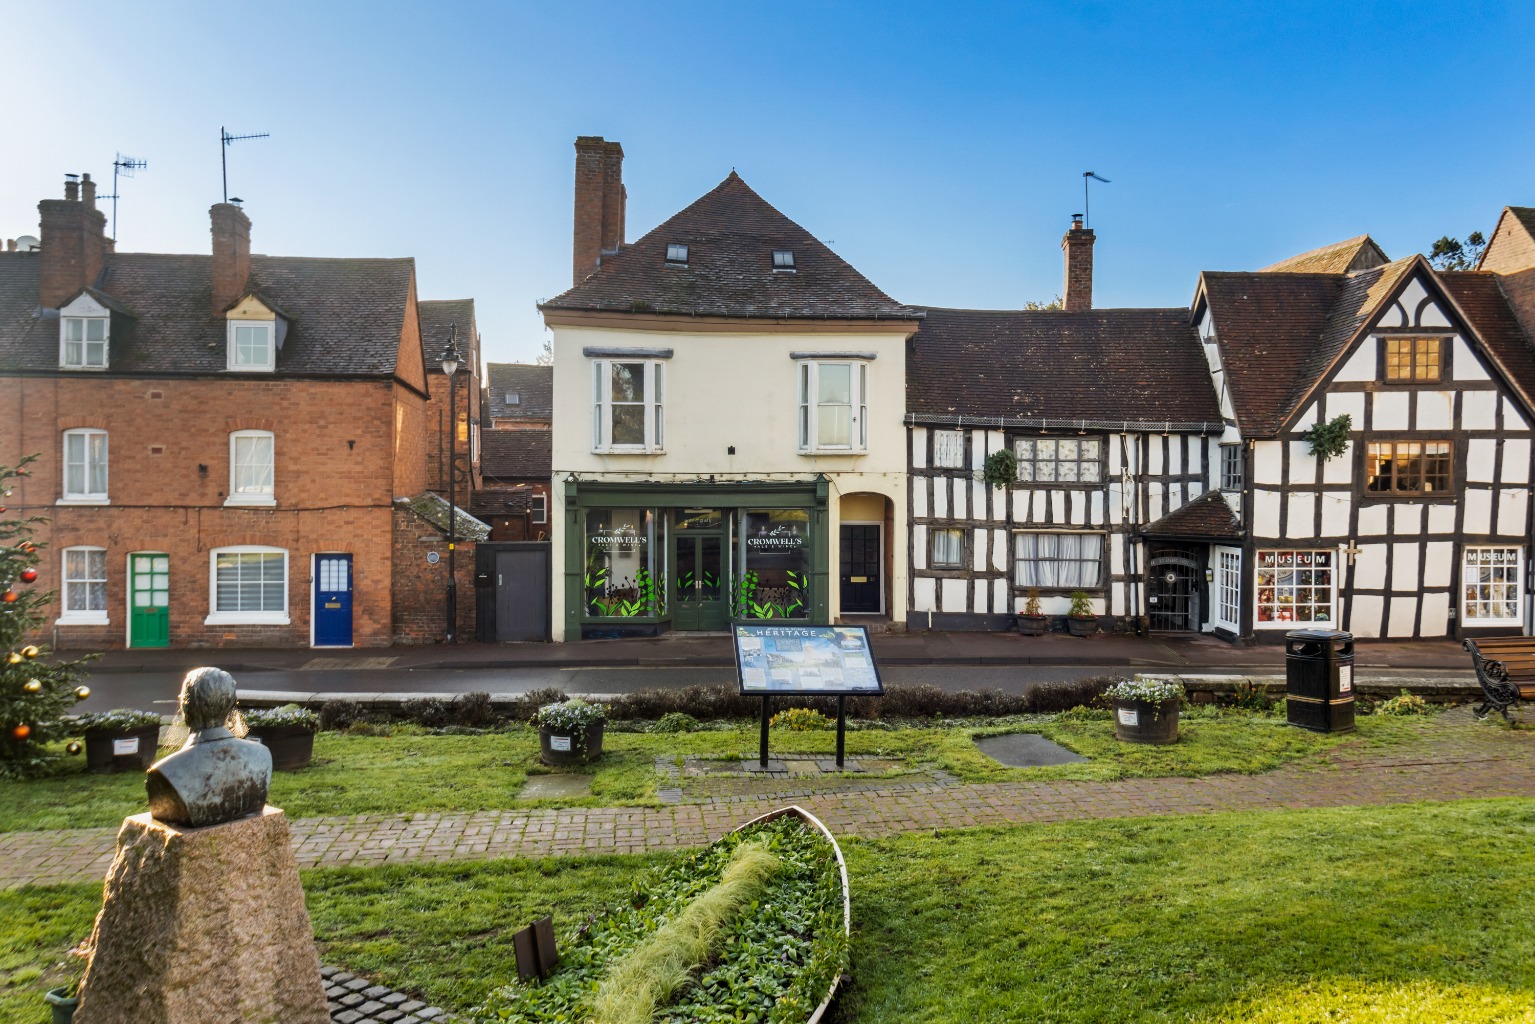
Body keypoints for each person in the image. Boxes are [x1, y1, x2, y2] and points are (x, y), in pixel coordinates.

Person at [146, 667, 271, 827]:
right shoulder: (261, 754)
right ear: (232, 704)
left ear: (186, 705)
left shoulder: (165, 771)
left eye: (182, 697)